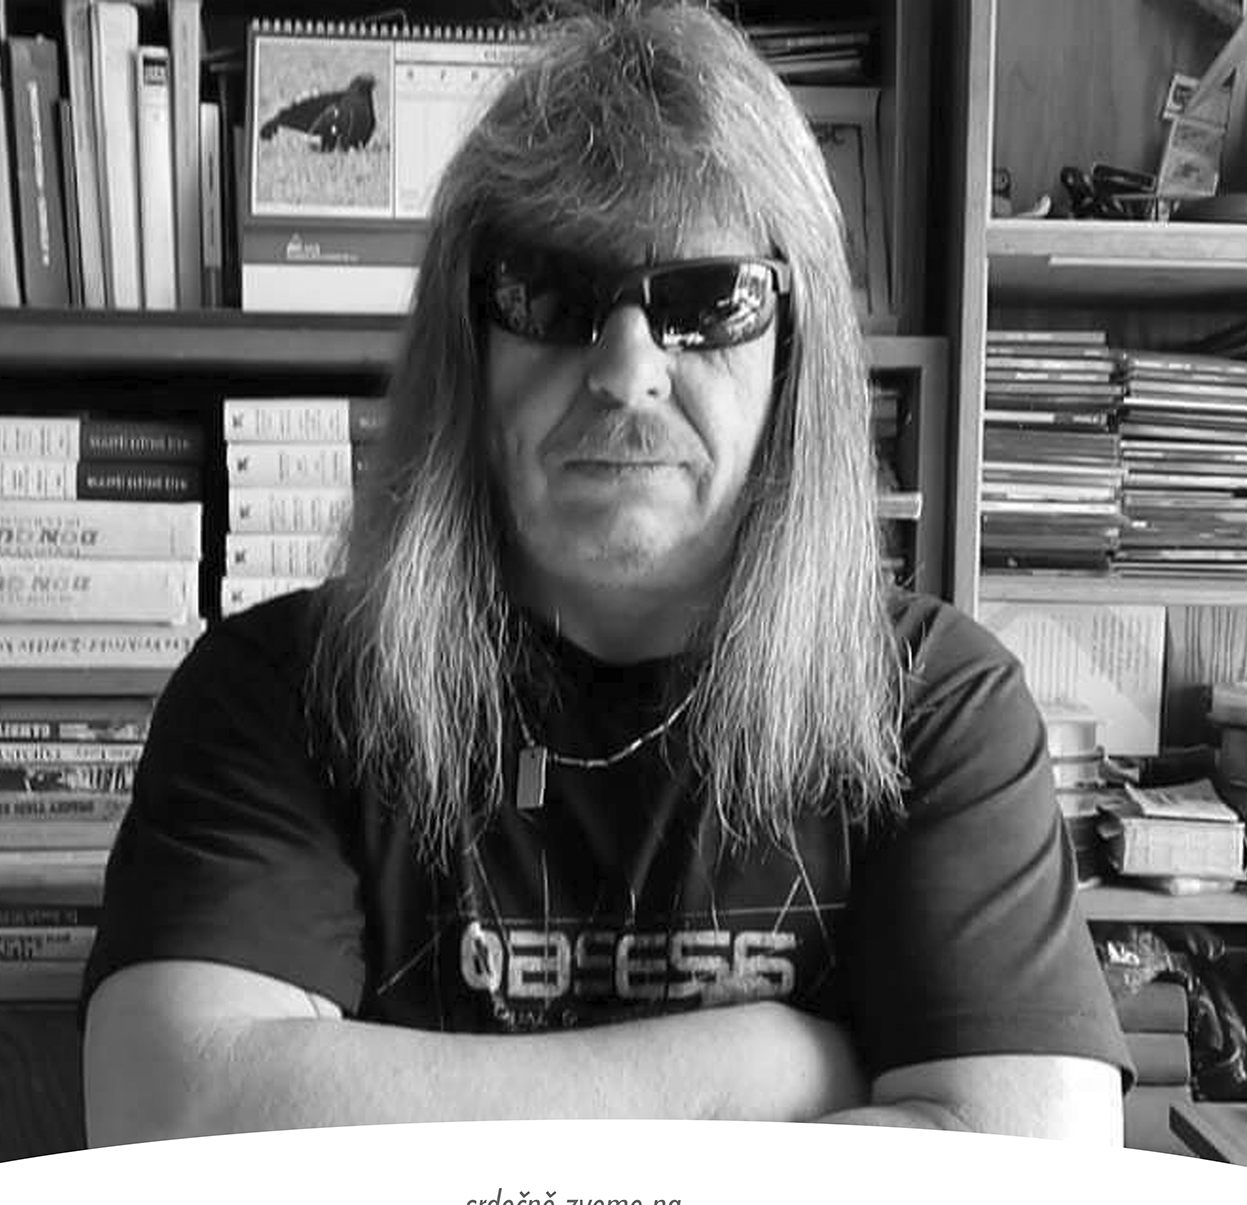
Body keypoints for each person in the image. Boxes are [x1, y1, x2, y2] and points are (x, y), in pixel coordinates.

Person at [82, 0, 1128, 1144]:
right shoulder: (281, 689)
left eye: (708, 300)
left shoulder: (932, 700)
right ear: (468, 347)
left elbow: (1032, 1164)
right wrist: (758, 1068)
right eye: (549, 295)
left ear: (796, 354)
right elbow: (174, 1116)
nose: (627, 371)